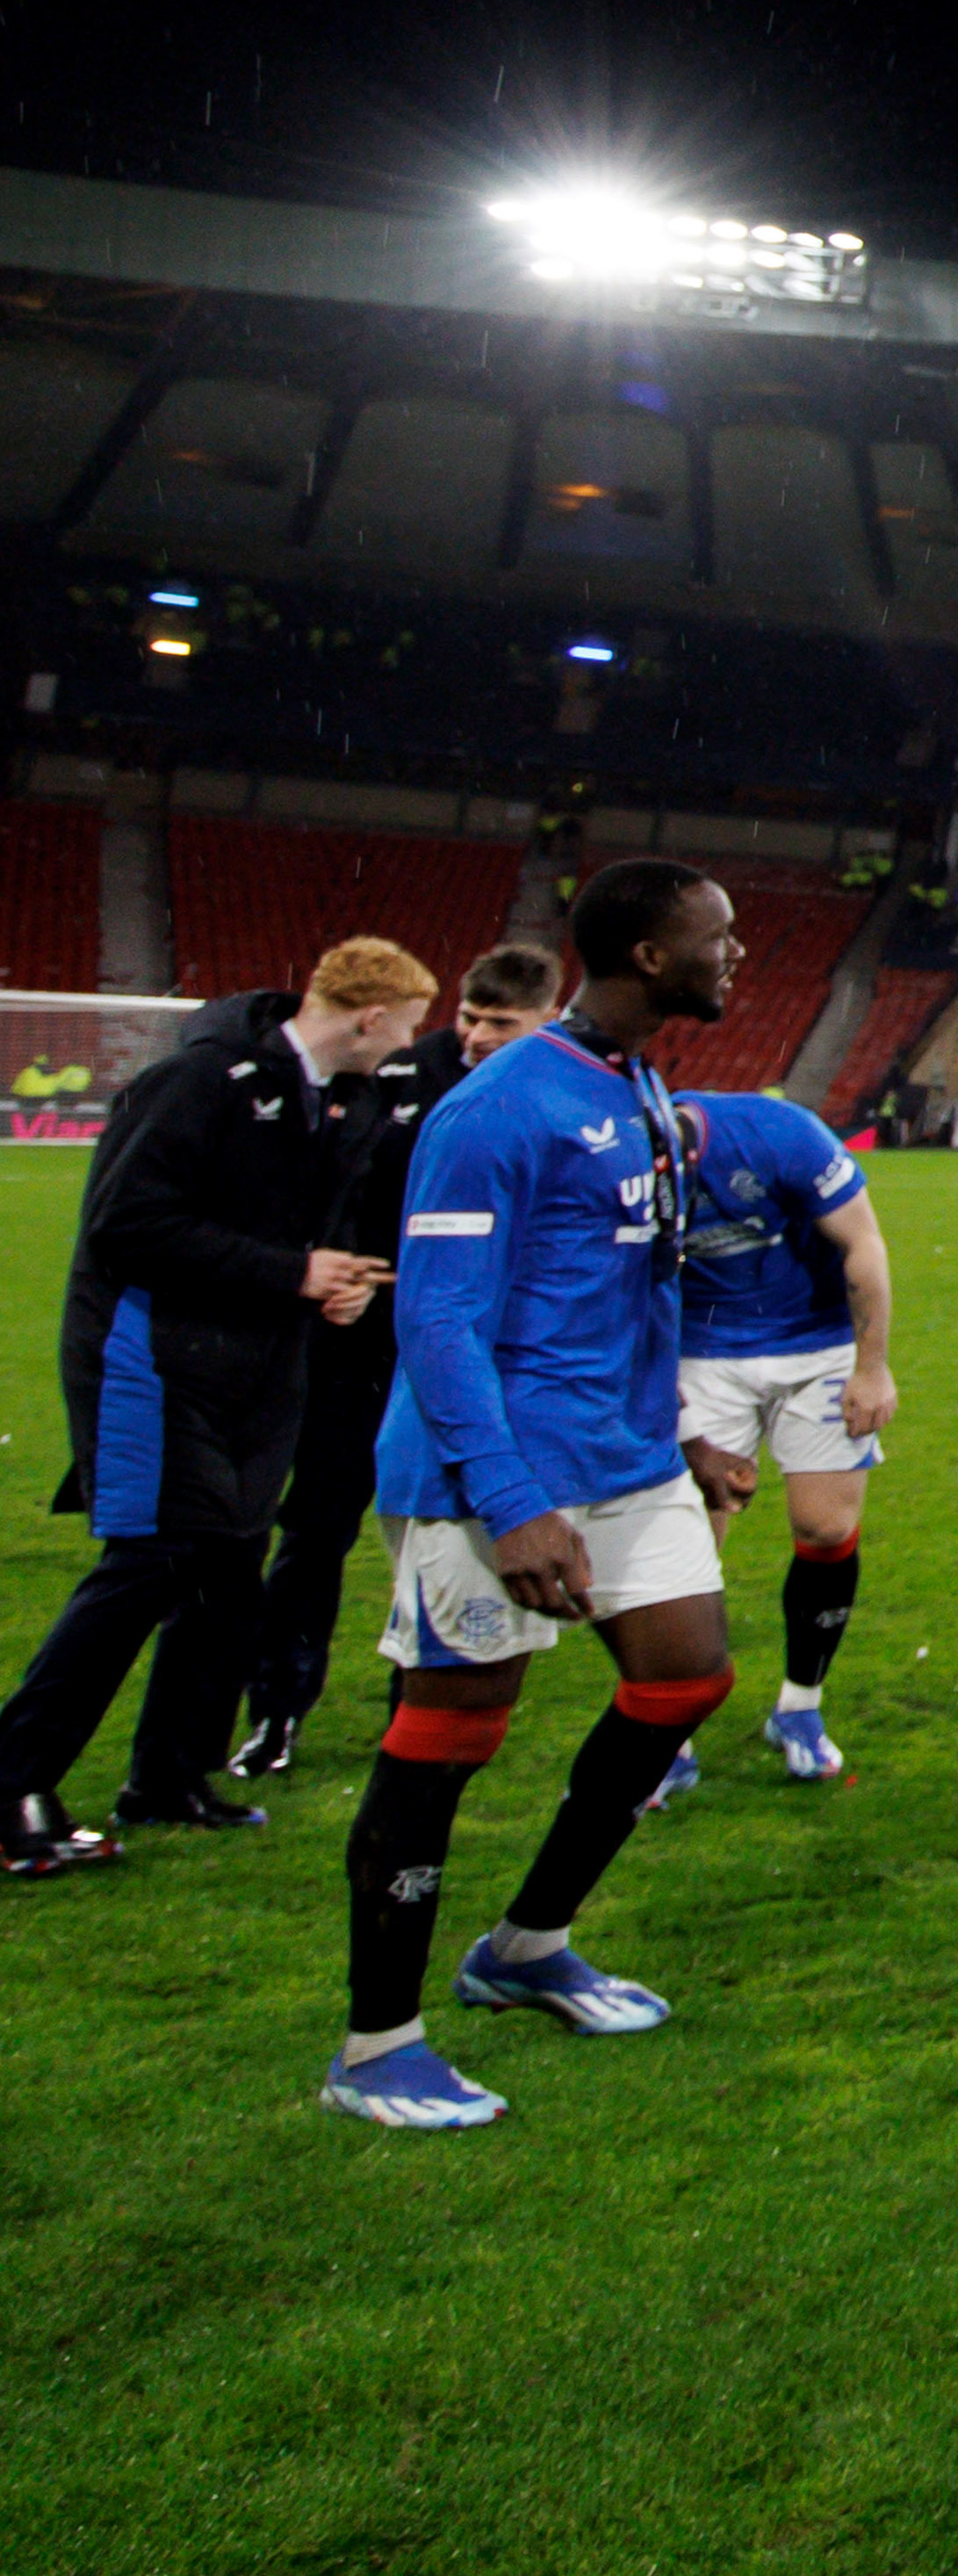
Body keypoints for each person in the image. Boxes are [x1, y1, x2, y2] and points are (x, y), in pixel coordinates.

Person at [322, 863, 753, 2128]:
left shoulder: (633, 1081)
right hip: (488, 1470)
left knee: (686, 1678)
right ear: (647, 955)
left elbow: (614, 1299)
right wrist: (509, 1501)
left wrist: (679, 1435)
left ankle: (524, 1948)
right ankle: (375, 2045)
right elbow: (444, 1324)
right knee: (450, 1739)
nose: (737, 956)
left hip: (626, 1459)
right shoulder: (496, 1107)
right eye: (716, 939)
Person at [0, 940, 426, 1873]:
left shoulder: (335, 1102)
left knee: (230, 1568)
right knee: (149, 1563)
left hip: (258, 1361)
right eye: (407, 1022)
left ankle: (168, 1778)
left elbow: (303, 1233)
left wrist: (330, 1283)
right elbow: (126, 1223)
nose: (410, 1043)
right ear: (370, 1016)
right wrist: (292, 1272)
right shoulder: (198, 1082)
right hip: (151, 1354)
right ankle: (11, 1785)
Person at [236, 942, 559, 1781]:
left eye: (503, 1023)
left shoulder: (555, 1093)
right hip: (363, 1346)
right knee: (314, 1531)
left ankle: (413, 1714)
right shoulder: (400, 1076)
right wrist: (339, 1265)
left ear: (546, 1019)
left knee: (440, 1537)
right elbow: (334, 1187)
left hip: (465, 1360)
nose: (481, 1036)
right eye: (472, 1018)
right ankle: (275, 1715)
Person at [670, 1087, 897, 1784]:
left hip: (818, 1343)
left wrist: (871, 1367)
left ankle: (800, 1705)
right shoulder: (614, 1164)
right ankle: (667, 1734)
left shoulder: (778, 1135)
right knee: (684, 1545)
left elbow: (861, 1242)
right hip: (702, 1349)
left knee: (826, 1529)